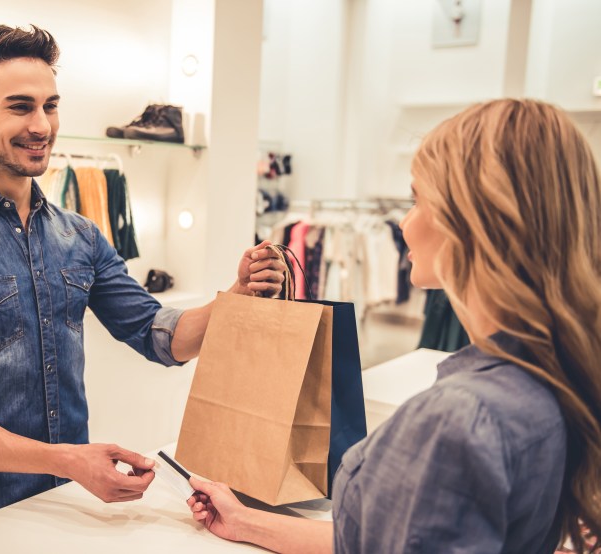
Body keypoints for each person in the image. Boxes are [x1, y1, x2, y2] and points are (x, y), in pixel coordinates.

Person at [0, 24, 286, 538]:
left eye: (50, 105)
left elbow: (157, 334)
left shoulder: (79, 236)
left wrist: (237, 298)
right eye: (20, 107)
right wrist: (70, 460)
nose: (42, 125)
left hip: (69, 514)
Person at [186, 99, 601, 553]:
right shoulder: (552, 376)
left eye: (418, 200)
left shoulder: (460, 420)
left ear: (473, 221)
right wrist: (249, 523)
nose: (403, 222)